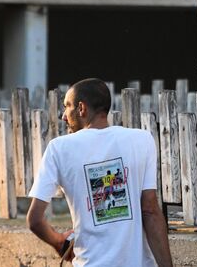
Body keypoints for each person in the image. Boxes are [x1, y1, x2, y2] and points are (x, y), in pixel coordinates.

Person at [27, 78, 173, 266]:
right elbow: (150, 211)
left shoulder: (59, 148)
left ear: (81, 108)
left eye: (67, 106)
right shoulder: (141, 140)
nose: (63, 116)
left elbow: (34, 220)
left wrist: (58, 241)